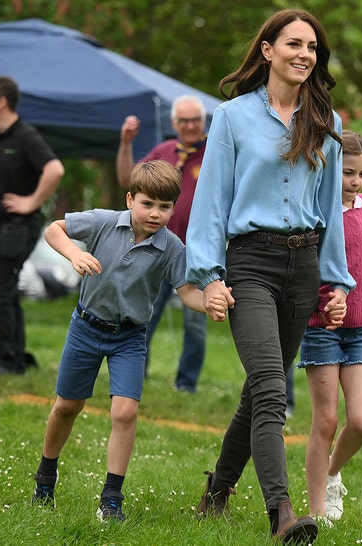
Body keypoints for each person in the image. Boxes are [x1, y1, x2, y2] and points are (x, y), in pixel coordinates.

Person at [185, 9, 355, 544]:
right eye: (294, 44)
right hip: (250, 264)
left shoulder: (328, 123)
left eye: (313, 48)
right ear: (267, 50)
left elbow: (329, 209)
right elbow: (211, 202)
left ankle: (216, 492)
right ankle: (282, 514)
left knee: (258, 390)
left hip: (303, 270)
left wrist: (336, 283)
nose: (305, 54)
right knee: (271, 389)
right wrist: (209, 275)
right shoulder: (232, 117)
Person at [30, 159, 229, 521]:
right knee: (67, 407)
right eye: (147, 203)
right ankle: (45, 476)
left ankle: (111, 496)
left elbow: (186, 292)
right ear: (130, 199)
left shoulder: (171, 247)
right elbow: (54, 229)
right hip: (86, 328)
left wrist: (210, 304)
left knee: (126, 411)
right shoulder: (104, 221)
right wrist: (75, 253)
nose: (155, 213)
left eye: (165, 207)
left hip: (129, 337)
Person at [297, 130, 362, 524]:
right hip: (323, 326)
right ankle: (316, 511)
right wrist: (324, 303)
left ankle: (334, 473)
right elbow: (308, 270)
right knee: (327, 420)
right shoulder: (314, 210)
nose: (355, 182)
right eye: (349, 172)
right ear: (331, 167)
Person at [116, 95, 209, 393]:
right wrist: (126, 143)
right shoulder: (164, 152)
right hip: (158, 248)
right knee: (146, 312)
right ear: (173, 123)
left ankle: (186, 384)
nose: (191, 125)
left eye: (196, 119)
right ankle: (133, 375)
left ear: (204, 120)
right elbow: (125, 180)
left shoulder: (214, 151)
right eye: (184, 120)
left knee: (195, 321)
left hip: (197, 254)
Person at [0, 75, 65, 375]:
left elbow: (55, 169)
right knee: (2, 290)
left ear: (2, 101)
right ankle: (9, 353)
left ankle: (6, 360)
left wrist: (31, 201)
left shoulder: (25, 136)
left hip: (17, 228)